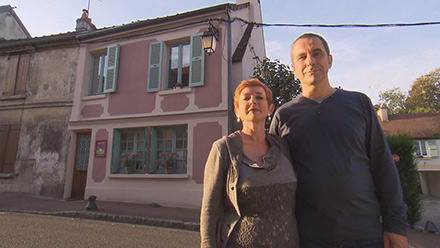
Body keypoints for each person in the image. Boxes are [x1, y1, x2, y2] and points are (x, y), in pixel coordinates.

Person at [269, 33, 409, 248]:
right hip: (307, 237)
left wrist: (396, 225)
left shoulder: (359, 104)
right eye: (302, 57)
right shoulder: (283, 116)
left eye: (317, 54)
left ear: (330, 60)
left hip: (364, 233)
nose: (311, 61)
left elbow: (383, 166)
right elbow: (273, 177)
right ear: (293, 67)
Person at [200, 79, 299, 248]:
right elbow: (210, 210)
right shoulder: (224, 149)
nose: (253, 101)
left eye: (259, 97)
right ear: (237, 110)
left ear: (270, 109)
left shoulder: (282, 146)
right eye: (246, 98)